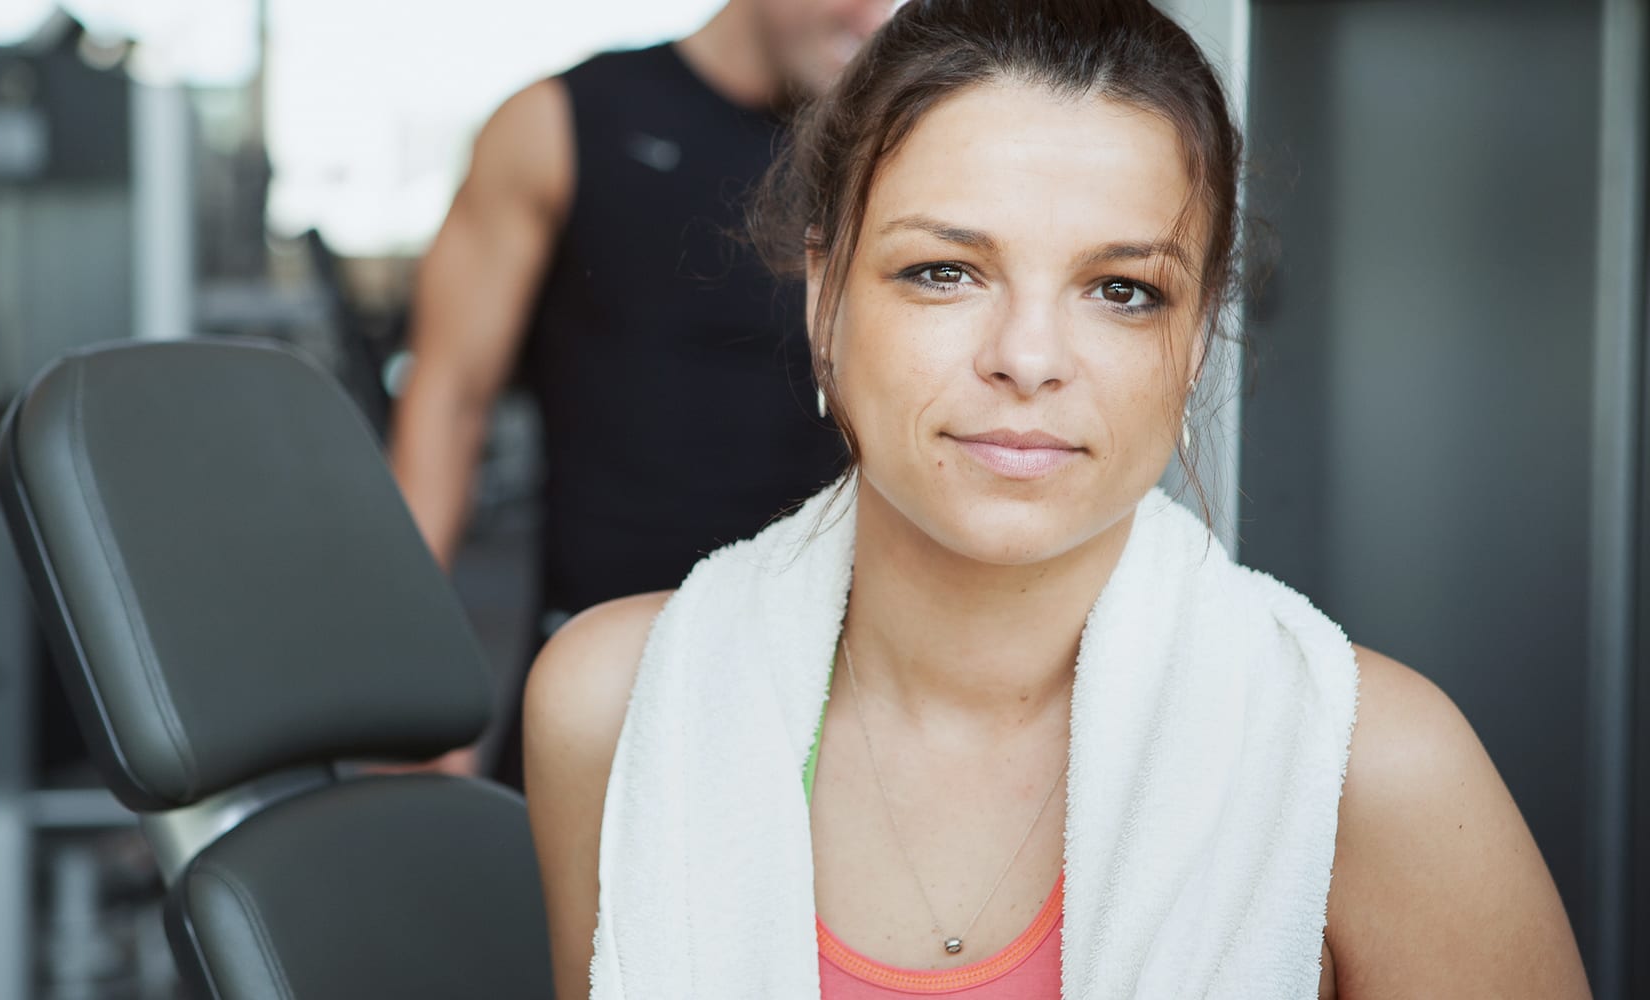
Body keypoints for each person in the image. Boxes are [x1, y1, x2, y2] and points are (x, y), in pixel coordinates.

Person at [522, 2, 1593, 998]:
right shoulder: (612, 706)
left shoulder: (1373, 768)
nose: (1027, 359)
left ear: (1192, 344)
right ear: (823, 300)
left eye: (1121, 290)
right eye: (944, 271)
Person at [389, 0, 895, 784]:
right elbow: (448, 398)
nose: (874, 15)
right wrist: (405, 677)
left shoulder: (892, 155)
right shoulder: (560, 122)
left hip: (834, 692)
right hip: (598, 686)